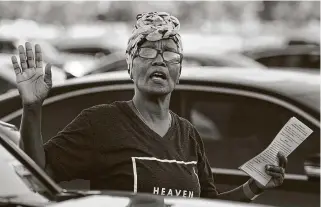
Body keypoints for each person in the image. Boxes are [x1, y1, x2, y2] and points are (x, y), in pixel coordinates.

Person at [11, 12, 287, 202]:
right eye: (147, 50)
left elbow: (207, 204)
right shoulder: (102, 123)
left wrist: (253, 187)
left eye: (169, 52)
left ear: (178, 70)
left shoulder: (189, 135)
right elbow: (38, 174)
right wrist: (32, 108)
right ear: (131, 66)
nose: (159, 60)